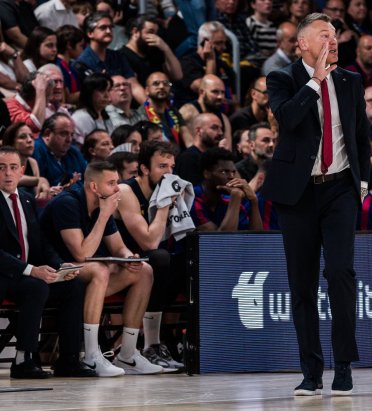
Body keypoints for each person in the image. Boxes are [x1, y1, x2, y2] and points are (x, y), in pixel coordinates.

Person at [263, 13, 370, 396]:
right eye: (325, 35)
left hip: (340, 189)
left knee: (340, 273)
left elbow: (361, 136)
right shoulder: (281, 78)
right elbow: (288, 119)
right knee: (302, 285)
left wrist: (362, 183)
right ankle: (311, 371)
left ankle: (344, 365)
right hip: (298, 194)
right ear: (303, 44)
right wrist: (315, 82)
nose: (334, 40)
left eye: (336, 35)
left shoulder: (352, 80)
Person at [39, 160, 163, 376]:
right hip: (52, 272)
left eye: (117, 182)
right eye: (111, 183)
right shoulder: (67, 203)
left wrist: (129, 257)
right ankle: (91, 355)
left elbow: (118, 247)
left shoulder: (102, 205)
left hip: (82, 276)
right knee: (99, 270)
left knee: (144, 270)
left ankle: (128, 354)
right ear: (94, 187)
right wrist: (105, 214)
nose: (117, 189)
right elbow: (80, 253)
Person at [0, 146, 95, 379]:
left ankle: (69, 359)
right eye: (1, 168)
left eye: (13, 168)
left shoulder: (27, 199)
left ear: (22, 170)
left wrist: (61, 265)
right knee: (37, 286)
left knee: (73, 285)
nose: (8, 174)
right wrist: (32, 270)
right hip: (5, 275)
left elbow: (42, 242)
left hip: (28, 274)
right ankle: (23, 359)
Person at [114, 140, 186, 371]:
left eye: (171, 167)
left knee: (184, 262)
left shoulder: (162, 190)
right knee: (160, 258)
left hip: (145, 265)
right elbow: (149, 241)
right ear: (145, 169)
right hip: (118, 262)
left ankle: (155, 346)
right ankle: (146, 344)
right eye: (162, 167)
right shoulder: (126, 191)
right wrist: (165, 205)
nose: (169, 174)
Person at [191, 147, 263, 231]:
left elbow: (257, 238)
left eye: (233, 172)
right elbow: (221, 241)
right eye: (224, 172)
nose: (231, 177)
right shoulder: (191, 199)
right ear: (207, 174)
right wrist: (235, 197)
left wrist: (253, 200)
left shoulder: (227, 200)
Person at [33, 113, 86, 188]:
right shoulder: (36, 150)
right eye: (64, 134)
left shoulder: (73, 152)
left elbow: (88, 179)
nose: (69, 140)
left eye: (71, 134)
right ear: (47, 134)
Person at [2, 122, 50, 198]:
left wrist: (46, 192)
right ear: (11, 143)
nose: (30, 140)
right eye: (22, 137)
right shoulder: (3, 160)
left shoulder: (32, 162)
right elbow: (11, 179)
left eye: (31, 136)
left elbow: (36, 194)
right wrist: (38, 180)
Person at [176, 113, 224, 185]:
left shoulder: (216, 157)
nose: (220, 133)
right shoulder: (188, 158)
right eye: (214, 128)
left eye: (221, 128)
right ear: (199, 131)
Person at [71, 73, 114, 145]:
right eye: (102, 90)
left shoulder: (107, 117)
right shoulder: (80, 118)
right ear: (89, 92)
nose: (107, 95)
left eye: (109, 90)